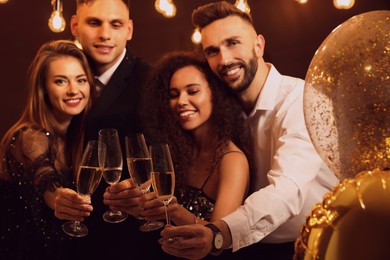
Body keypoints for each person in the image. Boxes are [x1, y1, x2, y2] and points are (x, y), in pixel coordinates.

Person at [159, 2, 340, 259]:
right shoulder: (223, 109)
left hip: (315, 246)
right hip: (253, 247)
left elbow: (286, 190)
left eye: (233, 43)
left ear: (259, 45)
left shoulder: (299, 99)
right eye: (212, 51)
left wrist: (219, 233)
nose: (224, 59)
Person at [66, 0, 167, 258]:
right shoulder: (63, 74)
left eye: (116, 24)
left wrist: (143, 190)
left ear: (129, 30)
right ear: (75, 25)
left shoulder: (152, 82)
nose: (105, 34)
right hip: (68, 238)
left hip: (128, 243)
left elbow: (164, 160)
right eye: (94, 22)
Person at [138, 51, 251, 243]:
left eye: (192, 91)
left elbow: (220, 239)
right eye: (173, 95)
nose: (181, 101)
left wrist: (174, 211)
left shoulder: (232, 160)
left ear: (215, 94)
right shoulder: (179, 150)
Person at [0, 40, 95, 259]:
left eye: (81, 80)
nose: (74, 90)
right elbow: (47, 182)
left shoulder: (71, 139)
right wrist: (59, 196)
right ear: (43, 88)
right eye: (61, 81)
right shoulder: (30, 136)